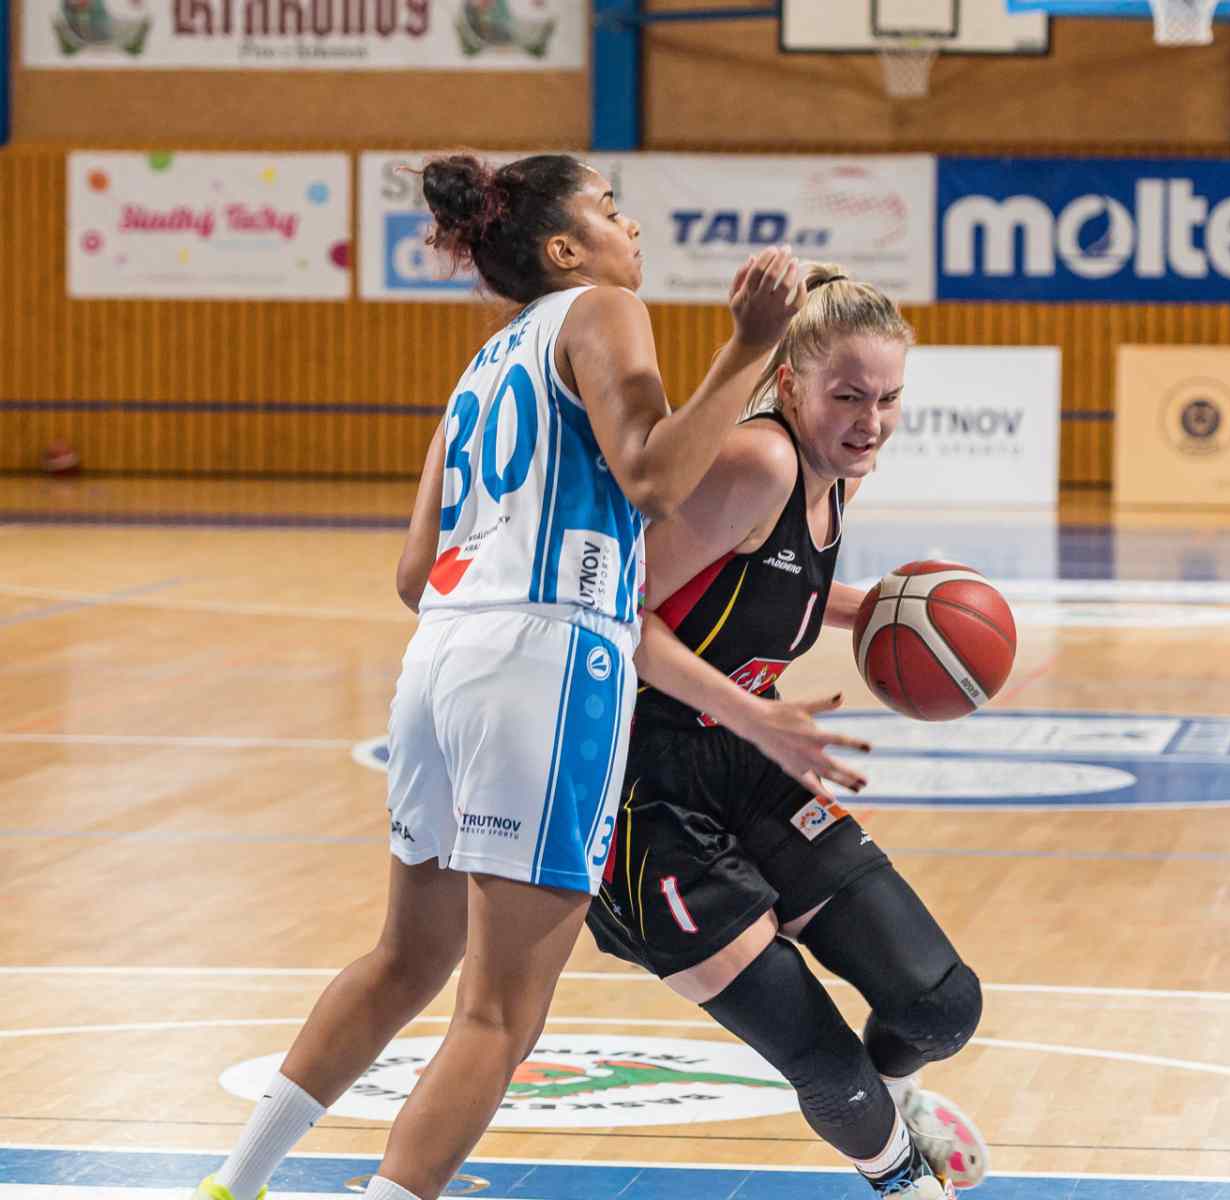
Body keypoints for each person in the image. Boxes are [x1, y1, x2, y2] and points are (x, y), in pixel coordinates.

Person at [187, 154, 844, 1200]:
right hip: (548, 661)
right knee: (499, 1014)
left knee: (406, 959)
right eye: (611, 210)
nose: (632, 229)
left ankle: (234, 1180)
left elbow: (414, 573)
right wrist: (749, 348)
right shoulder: (604, 308)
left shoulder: (486, 364)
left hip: (441, 658)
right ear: (566, 248)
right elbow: (653, 479)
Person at [590, 263, 988, 1200]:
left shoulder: (836, 470)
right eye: (848, 396)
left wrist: (886, 612)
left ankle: (894, 1105)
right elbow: (614, 613)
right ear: (789, 384)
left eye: (888, 398)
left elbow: (760, 579)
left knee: (939, 1005)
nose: (871, 420)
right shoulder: (759, 463)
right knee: (831, 1070)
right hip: (641, 790)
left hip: (741, 755)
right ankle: (896, 1176)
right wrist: (755, 713)